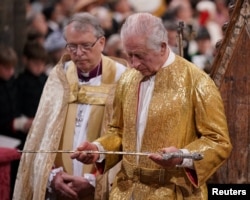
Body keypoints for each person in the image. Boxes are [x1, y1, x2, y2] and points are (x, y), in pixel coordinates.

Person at [71, 12, 232, 200]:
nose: (133, 64)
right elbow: (118, 131)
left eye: (139, 55)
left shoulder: (197, 81)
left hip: (173, 192)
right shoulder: (127, 79)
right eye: (129, 55)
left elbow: (218, 141)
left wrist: (183, 157)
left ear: (162, 47)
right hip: (125, 192)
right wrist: (98, 150)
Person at [13, 12, 127, 200]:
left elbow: (126, 138)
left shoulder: (122, 78)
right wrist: (52, 176)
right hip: (59, 187)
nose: (78, 53)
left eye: (85, 45)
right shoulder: (59, 77)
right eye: (72, 46)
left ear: (102, 43)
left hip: (99, 185)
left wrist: (94, 182)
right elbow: (41, 136)